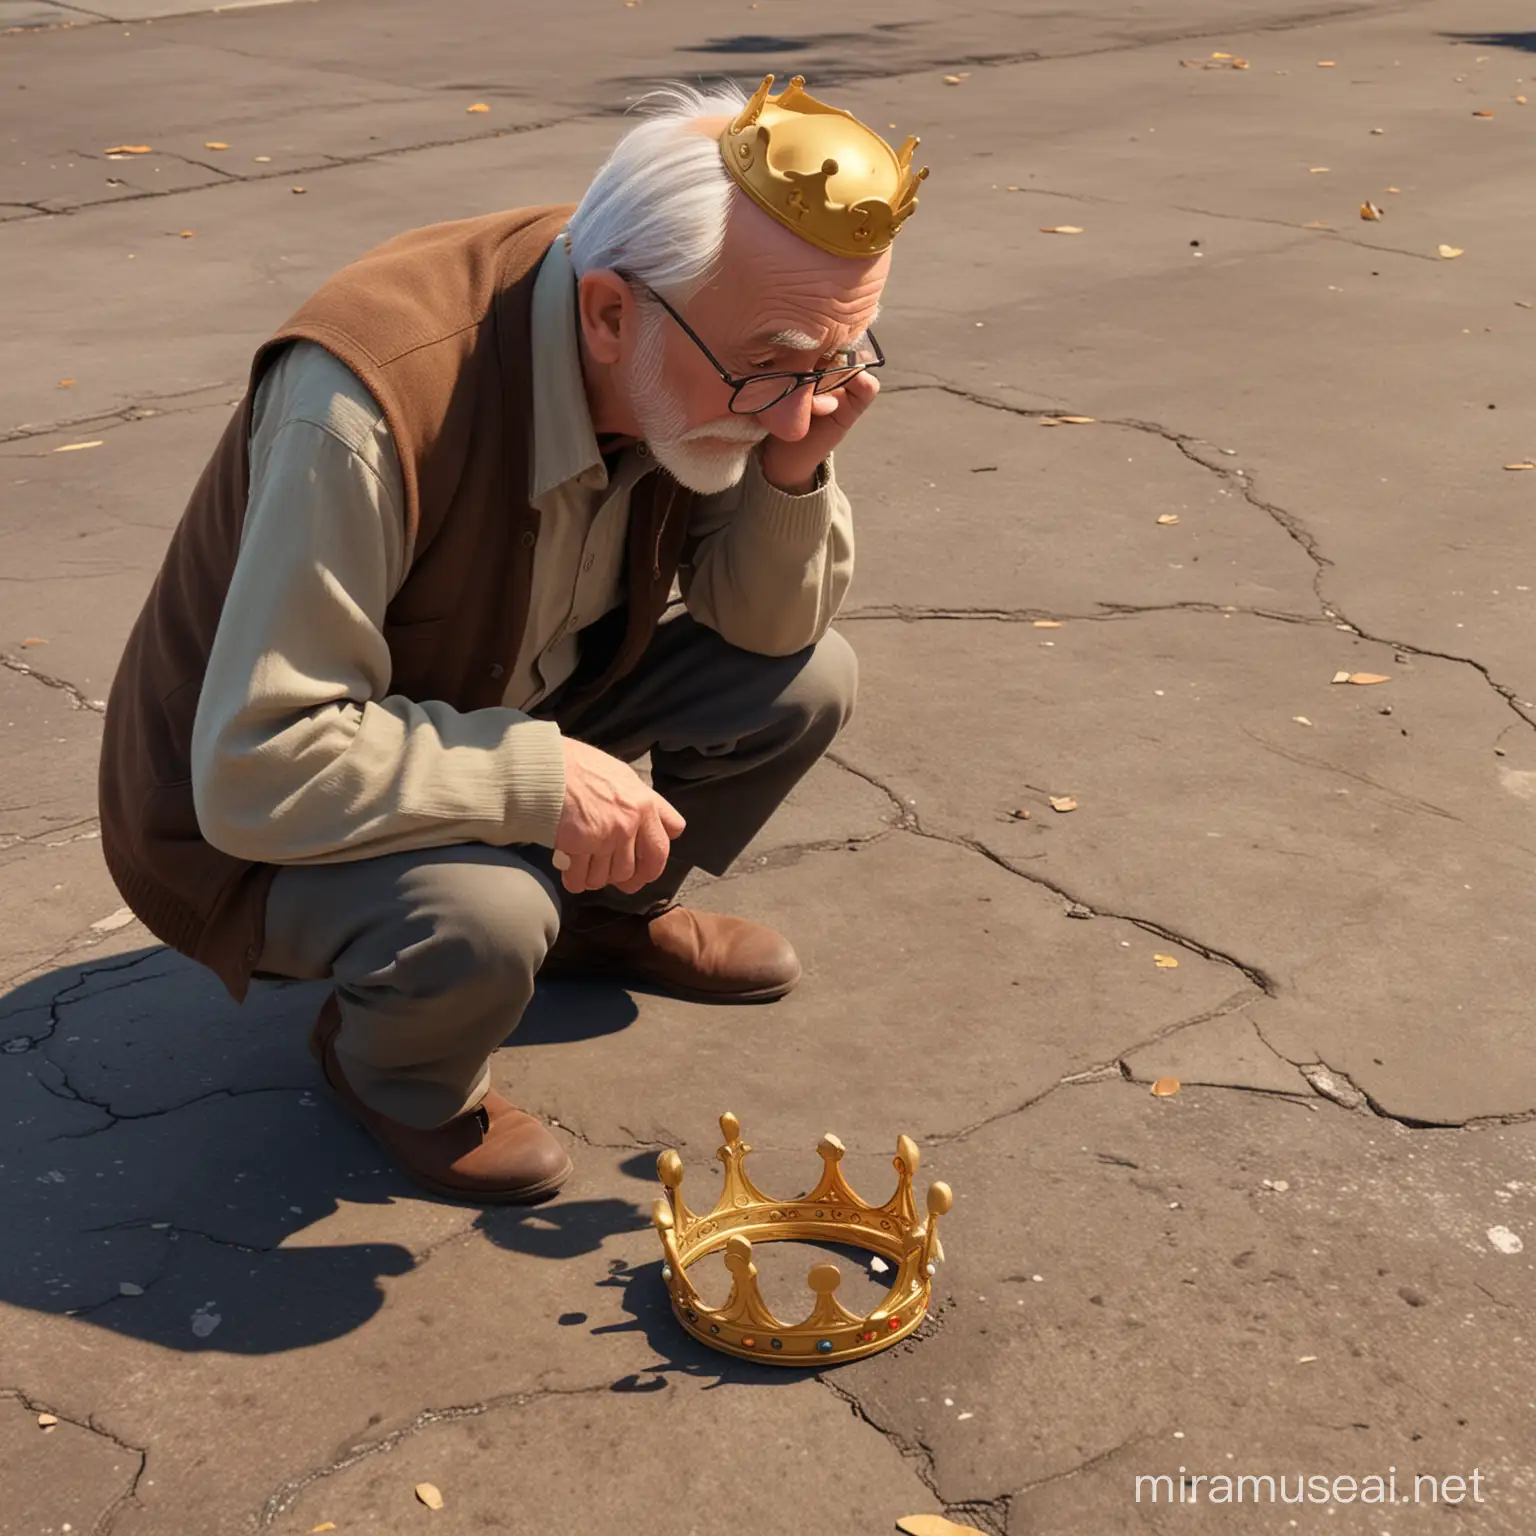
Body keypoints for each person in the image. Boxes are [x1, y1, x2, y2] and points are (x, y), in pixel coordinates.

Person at [98, 75, 928, 1205]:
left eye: (835, 358)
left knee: (802, 678)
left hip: (504, 699)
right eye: (773, 366)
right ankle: (392, 1073)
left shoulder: (693, 329)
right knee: (486, 913)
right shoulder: (367, 402)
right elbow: (257, 767)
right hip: (238, 823)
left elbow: (765, 629)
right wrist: (540, 779)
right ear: (605, 315)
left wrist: (792, 472)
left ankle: (605, 916)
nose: (798, 405)